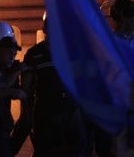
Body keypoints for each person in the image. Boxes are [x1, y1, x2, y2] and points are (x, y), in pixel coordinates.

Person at [23, 19, 89, 156]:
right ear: (45, 29)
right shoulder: (34, 54)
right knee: (45, 151)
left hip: (70, 110)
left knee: (77, 151)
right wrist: (26, 112)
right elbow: (26, 87)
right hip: (45, 112)